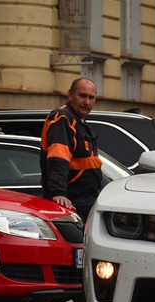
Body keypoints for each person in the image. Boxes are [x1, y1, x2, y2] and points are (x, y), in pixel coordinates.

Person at [40, 77, 102, 223]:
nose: (87, 102)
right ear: (70, 95)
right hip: (74, 201)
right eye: (82, 96)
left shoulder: (77, 119)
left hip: (86, 198)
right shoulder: (63, 118)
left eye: (91, 97)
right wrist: (59, 193)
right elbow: (58, 158)